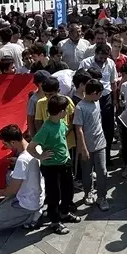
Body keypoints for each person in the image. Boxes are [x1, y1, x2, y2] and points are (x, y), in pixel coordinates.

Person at [30, 93, 77, 234]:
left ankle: (64, 213)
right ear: (61, 111)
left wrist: (67, 156)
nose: (67, 112)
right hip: (51, 167)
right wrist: (41, 156)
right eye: (66, 109)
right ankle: (55, 221)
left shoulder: (62, 123)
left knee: (68, 191)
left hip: (65, 163)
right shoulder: (46, 128)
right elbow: (31, 147)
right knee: (53, 195)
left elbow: (62, 141)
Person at [0, 124, 43, 231]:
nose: (4, 146)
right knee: (9, 177)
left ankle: (32, 217)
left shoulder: (22, 160)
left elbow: (11, 191)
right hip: (37, 194)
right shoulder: (36, 148)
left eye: (5, 143)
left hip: (28, 203)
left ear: (13, 142)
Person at [73, 79, 109, 211]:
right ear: (94, 93)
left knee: (102, 171)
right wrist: (83, 148)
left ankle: (102, 197)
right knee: (87, 173)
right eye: (99, 94)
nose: (100, 96)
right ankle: (88, 192)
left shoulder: (97, 102)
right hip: (86, 146)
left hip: (100, 144)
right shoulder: (80, 107)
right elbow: (79, 129)